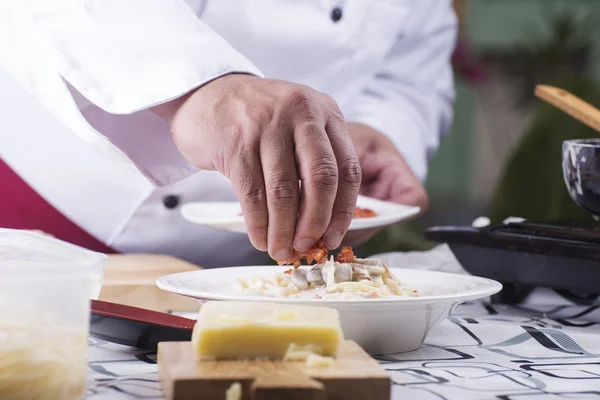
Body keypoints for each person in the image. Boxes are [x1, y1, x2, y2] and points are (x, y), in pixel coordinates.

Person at [0, 1, 457, 267]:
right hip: (38, 230)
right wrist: (195, 86)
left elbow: (412, 56)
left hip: (251, 271)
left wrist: (377, 128)